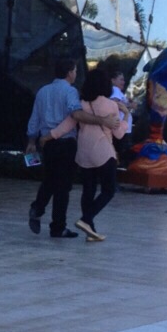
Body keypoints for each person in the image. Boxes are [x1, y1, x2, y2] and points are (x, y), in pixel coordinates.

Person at [26, 58, 84, 238]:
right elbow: (75, 113)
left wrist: (31, 140)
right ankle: (58, 226)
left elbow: (35, 118)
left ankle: (37, 208)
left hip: (47, 143)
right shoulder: (71, 91)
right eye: (75, 70)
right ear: (69, 72)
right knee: (63, 187)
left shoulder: (43, 91)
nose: (76, 74)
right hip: (66, 142)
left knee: (49, 180)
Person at [68, 64, 126, 240]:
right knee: (108, 190)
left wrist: (50, 136)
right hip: (103, 153)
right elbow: (119, 133)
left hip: (84, 152)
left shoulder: (81, 104)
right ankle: (86, 219)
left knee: (88, 190)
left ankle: (90, 230)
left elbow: (68, 124)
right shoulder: (111, 105)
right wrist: (127, 115)